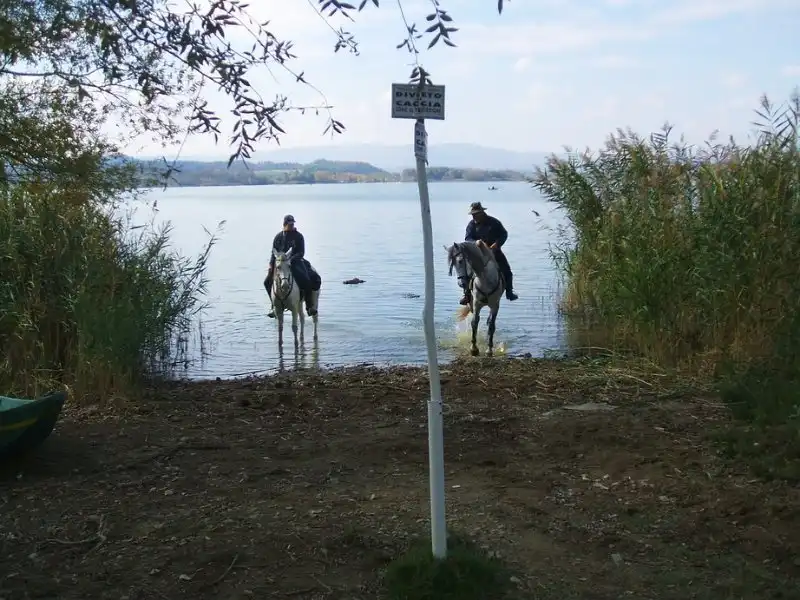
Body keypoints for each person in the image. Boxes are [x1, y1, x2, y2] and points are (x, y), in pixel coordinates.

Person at [460, 201, 518, 305]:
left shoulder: (494, 222)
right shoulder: (471, 224)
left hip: (494, 252)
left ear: (482, 212)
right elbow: (467, 238)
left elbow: (504, 234)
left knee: (507, 270)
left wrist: (497, 244)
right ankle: (466, 294)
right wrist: (476, 242)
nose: (474, 216)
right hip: (478, 253)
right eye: (472, 214)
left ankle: (509, 292)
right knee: (466, 271)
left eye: (475, 214)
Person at [264, 214, 317, 318]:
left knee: (306, 279)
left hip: (295, 262)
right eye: (290, 224)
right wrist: (271, 264)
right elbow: (273, 252)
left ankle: (309, 306)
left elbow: (301, 252)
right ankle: (273, 306)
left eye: (293, 224)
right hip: (280, 264)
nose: (292, 226)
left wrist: (290, 259)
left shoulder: (299, 236)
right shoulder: (278, 237)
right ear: (285, 224)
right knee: (267, 282)